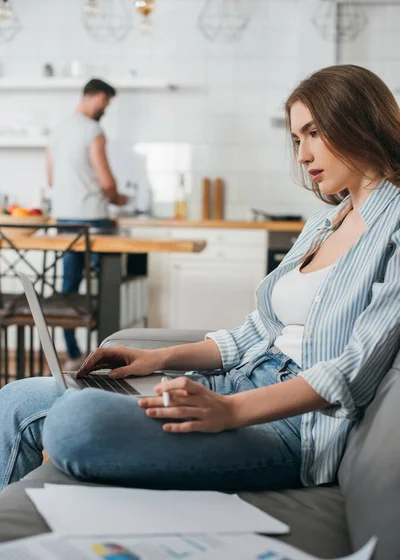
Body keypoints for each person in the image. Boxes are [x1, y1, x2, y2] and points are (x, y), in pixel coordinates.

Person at [0, 64, 399, 492]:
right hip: (232, 382)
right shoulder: (324, 224)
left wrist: (231, 410)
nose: (302, 155)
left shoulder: (393, 227)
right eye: (297, 139)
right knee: (18, 397)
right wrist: (158, 358)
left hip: (288, 427)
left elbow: (354, 370)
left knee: (76, 422)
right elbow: (255, 334)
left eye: (314, 132)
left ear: (357, 121)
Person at [46, 78, 128, 370]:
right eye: (106, 102)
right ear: (97, 97)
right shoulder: (93, 130)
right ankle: (106, 357)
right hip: (93, 220)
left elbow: (51, 179)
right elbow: (106, 181)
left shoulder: (58, 129)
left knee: (70, 287)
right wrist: (119, 198)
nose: (105, 108)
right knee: (105, 287)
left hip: (65, 220)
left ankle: (72, 354)